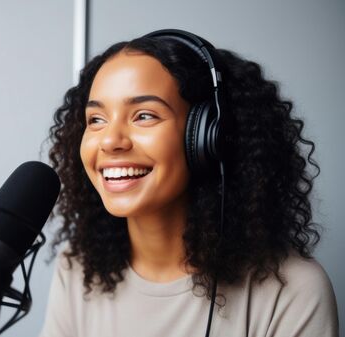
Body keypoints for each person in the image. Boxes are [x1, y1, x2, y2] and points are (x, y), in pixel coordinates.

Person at [40, 29, 338, 337]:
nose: (111, 141)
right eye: (96, 120)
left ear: (209, 138)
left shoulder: (292, 290)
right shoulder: (78, 269)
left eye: (144, 115)